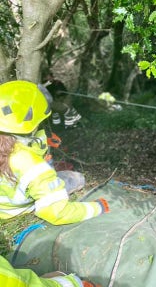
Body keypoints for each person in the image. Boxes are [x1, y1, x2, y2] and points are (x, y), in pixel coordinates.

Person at [0, 80, 108, 287]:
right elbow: (55, 212)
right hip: (20, 208)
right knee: (76, 179)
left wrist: (41, 144)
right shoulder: (32, 166)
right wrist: (97, 208)